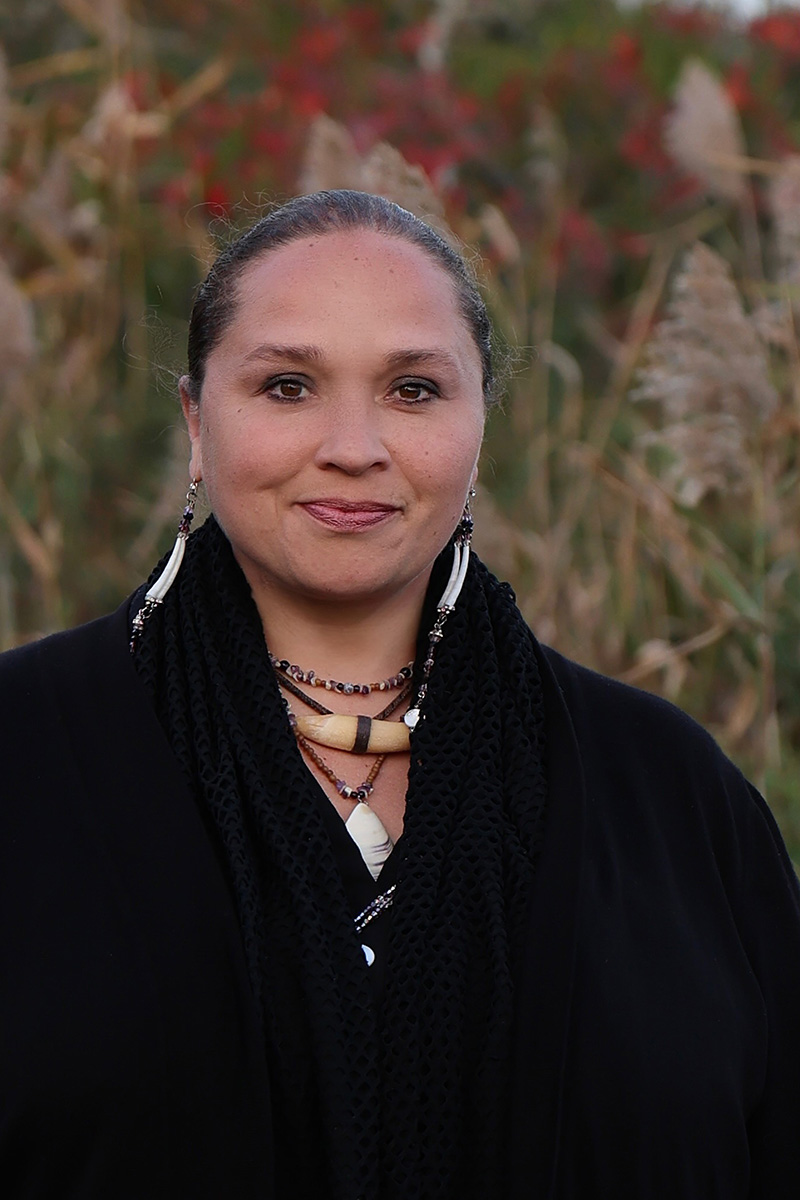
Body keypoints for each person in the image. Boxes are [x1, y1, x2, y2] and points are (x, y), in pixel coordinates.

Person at [1, 189, 799, 1200]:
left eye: (412, 390)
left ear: (478, 424)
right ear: (196, 423)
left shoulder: (672, 797)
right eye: (287, 385)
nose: (353, 444)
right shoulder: (23, 756)